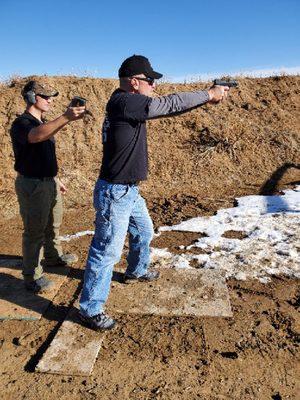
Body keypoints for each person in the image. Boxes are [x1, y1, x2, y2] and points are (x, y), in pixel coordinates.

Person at [79, 55, 230, 330]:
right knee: (106, 251)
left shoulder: (125, 103)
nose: (154, 86)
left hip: (128, 191)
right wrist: (209, 94)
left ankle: (136, 271)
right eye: (150, 81)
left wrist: (207, 98)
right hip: (116, 193)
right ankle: (90, 308)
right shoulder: (124, 101)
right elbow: (169, 103)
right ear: (134, 83)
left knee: (144, 232)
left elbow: (169, 107)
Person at [10, 80, 86, 293]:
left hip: (48, 181)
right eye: (45, 96)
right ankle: (31, 276)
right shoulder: (22, 123)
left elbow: (44, 152)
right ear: (32, 98)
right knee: (34, 232)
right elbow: (36, 137)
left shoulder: (41, 122)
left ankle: (53, 257)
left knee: (54, 223)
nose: (50, 100)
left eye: (51, 96)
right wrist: (65, 117)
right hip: (32, 184)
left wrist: (56, 177)